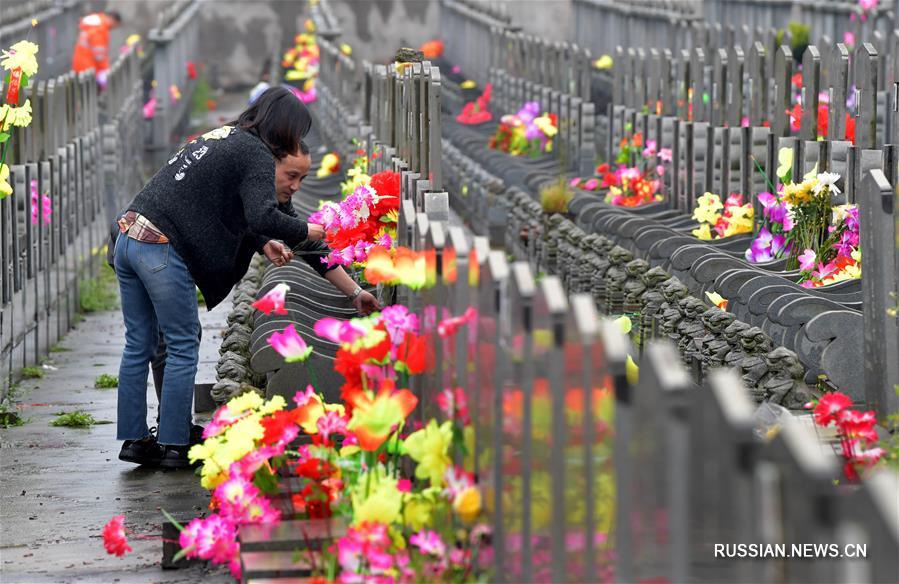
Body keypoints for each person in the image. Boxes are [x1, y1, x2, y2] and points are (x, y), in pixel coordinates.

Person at [114, 86, 379, 469]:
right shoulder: (255, 152)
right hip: (160, 245)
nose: (298, 139)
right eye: (296, 132)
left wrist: (353, 291)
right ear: (284, 128)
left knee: (141, 343)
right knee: (184, 341)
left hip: (128, 237)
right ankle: (174, 442)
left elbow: (251, 217)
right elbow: (264, 218)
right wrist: (310, 229)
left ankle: (136, 439)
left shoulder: (227, 138)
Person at [72, 10, 121, 88]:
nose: (113, 27)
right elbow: (99, 56)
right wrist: (106, 71)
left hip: (81, 66)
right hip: (89, 68)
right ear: (113, 19)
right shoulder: (100, 29)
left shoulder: (94, 25)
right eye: (115, 25)